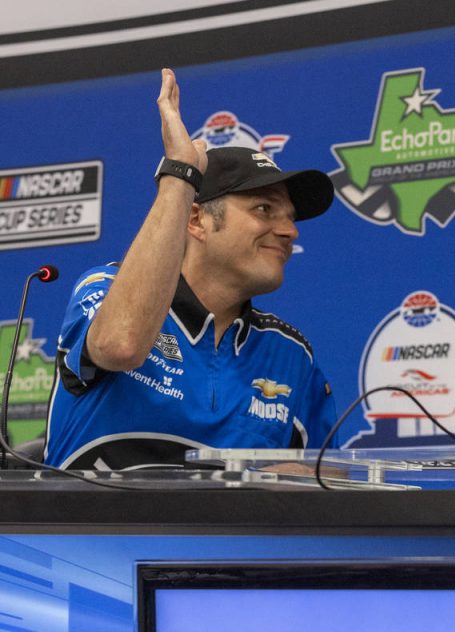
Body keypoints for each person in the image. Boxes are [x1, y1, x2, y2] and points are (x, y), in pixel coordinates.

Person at [44, 69, 339, 468]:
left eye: (291, 217)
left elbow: (335, 474)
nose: (289, 231)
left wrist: (292, 478)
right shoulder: (105, 288)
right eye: (264, 209)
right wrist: (180, 175)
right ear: (197, 220)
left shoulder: (290, 353)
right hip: (82, 512)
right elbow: (120, 344)